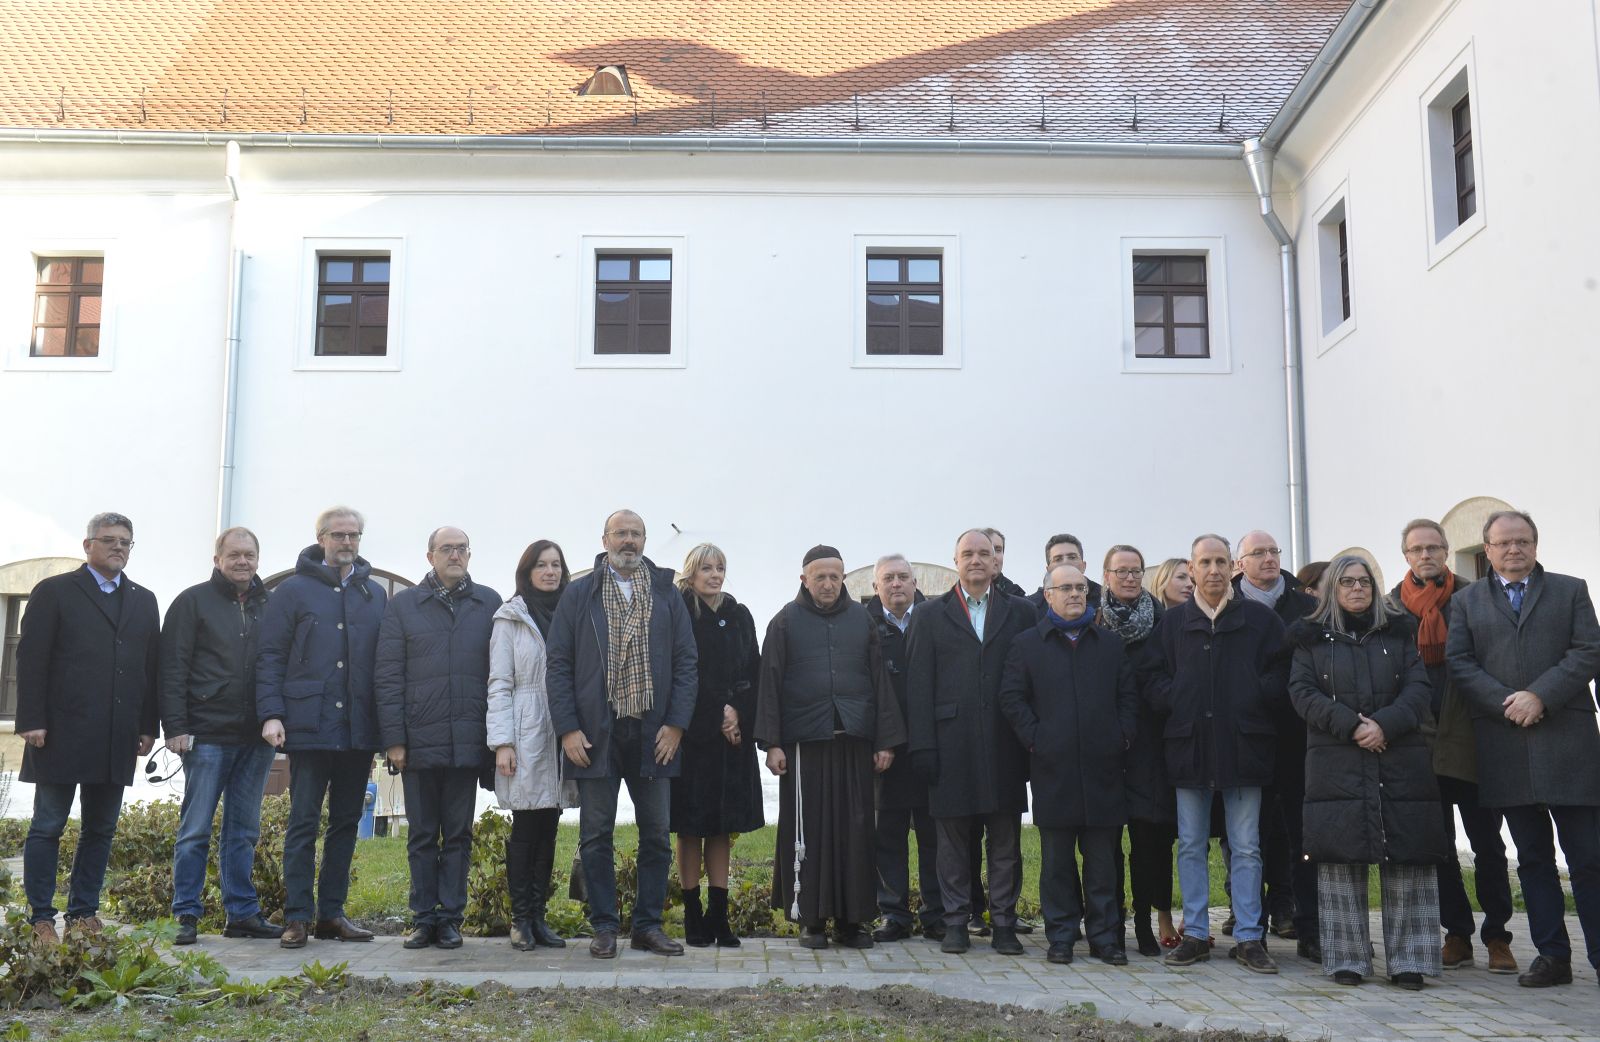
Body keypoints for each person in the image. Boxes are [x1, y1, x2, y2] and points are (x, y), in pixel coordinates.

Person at [1445, 510, 1600, 989]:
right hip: (1504, 742)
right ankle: (1552, 955)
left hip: (1568, 743)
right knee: (1532, 858)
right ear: (1487, 549)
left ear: (1535, 545)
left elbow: (1588, 650)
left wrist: (1541, 696)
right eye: (1503, 543)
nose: (1514, 550)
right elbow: (1459, 661)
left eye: (1522, 541)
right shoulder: (1467, 602)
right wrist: (1506, 702)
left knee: (1589, 857)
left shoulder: (1570, 590)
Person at [1288, 555, 1447, 989]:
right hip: (1336, 761)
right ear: (1332, 590)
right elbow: (1302, 693)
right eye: (1347, 582)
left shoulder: (1399, 635)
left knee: (1408, 859)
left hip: (1400, 758)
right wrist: (1354, 725)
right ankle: (1348, 959)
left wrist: (1385, 726)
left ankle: (1409, 960)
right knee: (1341, 859)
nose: (1357, 589)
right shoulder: (1310, 641)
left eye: (1364, 582)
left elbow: (1419, 690)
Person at [546, 509, 697, 959]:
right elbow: (558, 665)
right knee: (596, 835)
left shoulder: (668, 594)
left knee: (656, 834)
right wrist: (568, 729)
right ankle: (605, 927)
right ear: (605, 539)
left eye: (635, 534)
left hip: (654, 733)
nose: (627, 541)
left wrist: (676, 725)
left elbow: (687, 662)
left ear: (645, 540)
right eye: (620, 534)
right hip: (597, 732)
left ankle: (648, 926)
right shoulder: (579, 594)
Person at [17, 512, 159, 945]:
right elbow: (31, 658)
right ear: (88, 545)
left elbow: (149, 668)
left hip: (117, 733)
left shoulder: (144, 599)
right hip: (59, 730)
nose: (118, 548)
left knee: (101, 828)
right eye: (109, 540)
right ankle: (41, 917)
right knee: (48, 825)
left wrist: (146, 725)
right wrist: (31, 721)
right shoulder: (55, 591)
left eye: (126, 542)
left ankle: (82, 914)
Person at [1148, 534, 1286, 974]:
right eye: (1204, 562)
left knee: (1246, 846)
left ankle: (1249, 936)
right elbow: (1151, 679)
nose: (1212, 570)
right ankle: (1194, 934)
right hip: (1189, 748)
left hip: (1244, 747)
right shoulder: (1171, 624)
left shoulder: (1261, 621)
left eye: (1220, 562)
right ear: (1190, 567)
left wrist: (1252, 696)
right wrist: (1178, 699)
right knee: (1190, 844)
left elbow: (1282, 674)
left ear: (1234, 568)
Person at [756, 545, 905, 948]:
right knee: (810, 832)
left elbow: (879, 681)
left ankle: (853, 921)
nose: (827, 583)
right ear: (804, 579)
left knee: (857, 832)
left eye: (834, 577)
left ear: (843, 579)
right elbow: (768, 683)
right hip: (806, 746)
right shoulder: (784, 622)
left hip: (854, 742)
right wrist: (772, 744)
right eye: (819, 576)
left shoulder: (862, 620)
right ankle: (812, 920)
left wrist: (885, 741)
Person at [256, 506, 385, 949]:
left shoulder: (374, 594)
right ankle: (297, 916)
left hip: (356, 728)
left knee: (346, 822)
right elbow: (271, 655)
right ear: (321, 538)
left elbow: (381, 665)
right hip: (308, 725)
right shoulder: (292, 592)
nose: (347, 543)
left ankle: (332, 913)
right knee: (303, 821)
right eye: (338, 535)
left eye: (354, 536)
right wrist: (271, 713)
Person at [1389, 519, 1515, 975]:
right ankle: (1456, 934)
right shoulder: (1392, 608)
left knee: (1488, 844)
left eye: (1434, 547)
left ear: (1446, 551)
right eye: (1417, 549)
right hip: (1419, 743)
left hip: (1471, 740)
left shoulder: (1474, 595)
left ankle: (1498, 936)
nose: (1426, 555)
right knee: (1438, 845)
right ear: (1405, 556)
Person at [1001, 563, 1139, 965]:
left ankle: (1104, 937)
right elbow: (1012, 698)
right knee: (1056, 863)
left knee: (1102, 864)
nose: (1076, 594)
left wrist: (1122, 737)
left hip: (1104, 770)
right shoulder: (1027, 644)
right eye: (1066, 588)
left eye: (1081, 588)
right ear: (1048, 595)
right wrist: (1037, 739)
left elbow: (1128, 698)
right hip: (1053, 770)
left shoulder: (1110, 644)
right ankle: (1061, 936)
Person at [907, 530, 1035, 955]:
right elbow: (918, 686)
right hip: (950, 745)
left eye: (985, 552)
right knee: (952, 844)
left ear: (996, 560)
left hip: (1005, 744)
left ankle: (1003, 924)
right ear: (955, 560)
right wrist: (922, 747)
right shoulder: (929, 615)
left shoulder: (1020, 613)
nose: (977, 560)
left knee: (1004, 843)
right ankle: (956, 922)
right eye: (968, 554)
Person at [375, 526, 502, 951]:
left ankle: (451, 919)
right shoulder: (404, 606)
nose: (454, 555)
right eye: (446, 548)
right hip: (419, 741)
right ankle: (423, 918)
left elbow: (499, 674)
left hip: (468, 739)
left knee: (459, 835)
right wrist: (395, 739)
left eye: (461, 548)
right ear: (429, 556)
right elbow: (389, 675)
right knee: (422, 835)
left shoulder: (488, 603)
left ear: (470, 554)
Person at [161, 526, 283, 945]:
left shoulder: (271, 605)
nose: (242, 561)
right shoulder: (192, 602)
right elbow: (172, 667)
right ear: (218, 559)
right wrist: (175, 726)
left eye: (249, 554)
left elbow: (278, 665)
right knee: (195, 829)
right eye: (234, 555)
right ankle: (186, 914)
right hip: (206, 734)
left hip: (256, 737)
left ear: (258, 558)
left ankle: (242, 913)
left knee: (244, 830)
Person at [488, 540, 579, 950]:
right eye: (541, 565)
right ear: (527, 572)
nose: (550, 572)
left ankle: (540, 917)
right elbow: (500, 683)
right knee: (526, 826)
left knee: (550, 825)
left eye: (556, 564)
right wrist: (503, 741)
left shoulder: (573, 612)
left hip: (563, 728)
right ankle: (520, 919)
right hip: (525, 729)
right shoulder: (510, 618)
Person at [672, 543, 764, 949]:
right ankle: (692, 915)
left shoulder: (739, 615)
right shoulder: (678, 614)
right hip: (691, 738)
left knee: (723, 830)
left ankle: (719, 915)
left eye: (720, 567)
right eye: (706, 568)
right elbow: (680, 672)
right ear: (691, 573)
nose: (714, 574)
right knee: (691, 829)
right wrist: (716, 716)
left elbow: (753, 671)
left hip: (732, 741)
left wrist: (738, 713)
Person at [1231, 529, 1318, 956]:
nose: (1268, 559)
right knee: (1247, 833)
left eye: (1273, 551)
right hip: (1243, 735)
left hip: (1297, 734)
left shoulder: (1307, 607)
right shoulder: (1225, 604)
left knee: (1300, 832)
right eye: (1258, 553)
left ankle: (1307, 923)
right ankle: (1249, 920)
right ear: (1239, 563)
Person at [1099, 544, 1177, 957]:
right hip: (1107, 748)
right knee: (1106, 844)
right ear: (1106, 575)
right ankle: (1112, 920)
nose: (1130, 578)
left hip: (1151, 747)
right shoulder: (1094, 621)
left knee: (1150, 843)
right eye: (1121, 571)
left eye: (1136, 571)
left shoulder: (1163, 622)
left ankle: (1148, 921)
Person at [867, 554, 942, 942]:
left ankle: (936, 914)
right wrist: (882, 739)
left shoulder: (934, 619)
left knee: (934, 836)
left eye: (903, 577)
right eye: (888, 578)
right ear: (876, 586)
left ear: (915, 583)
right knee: (889, 835)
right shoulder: (865, 624)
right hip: (886, 750)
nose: (896, 584)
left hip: (929, 745)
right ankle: (894, 914)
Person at [1027, 534, 1103, 617]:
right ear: (1049, 569)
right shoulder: (1030, 608)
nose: (1065, 563)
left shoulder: (1106, 600)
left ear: (1083, 566)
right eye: (1058, 559)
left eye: (1072, 557)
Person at [983, 527, 1028, 599]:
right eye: (987, 550)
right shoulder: (961, 593)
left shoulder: (1019, 600)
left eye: (998, 550)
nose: (993, 556)